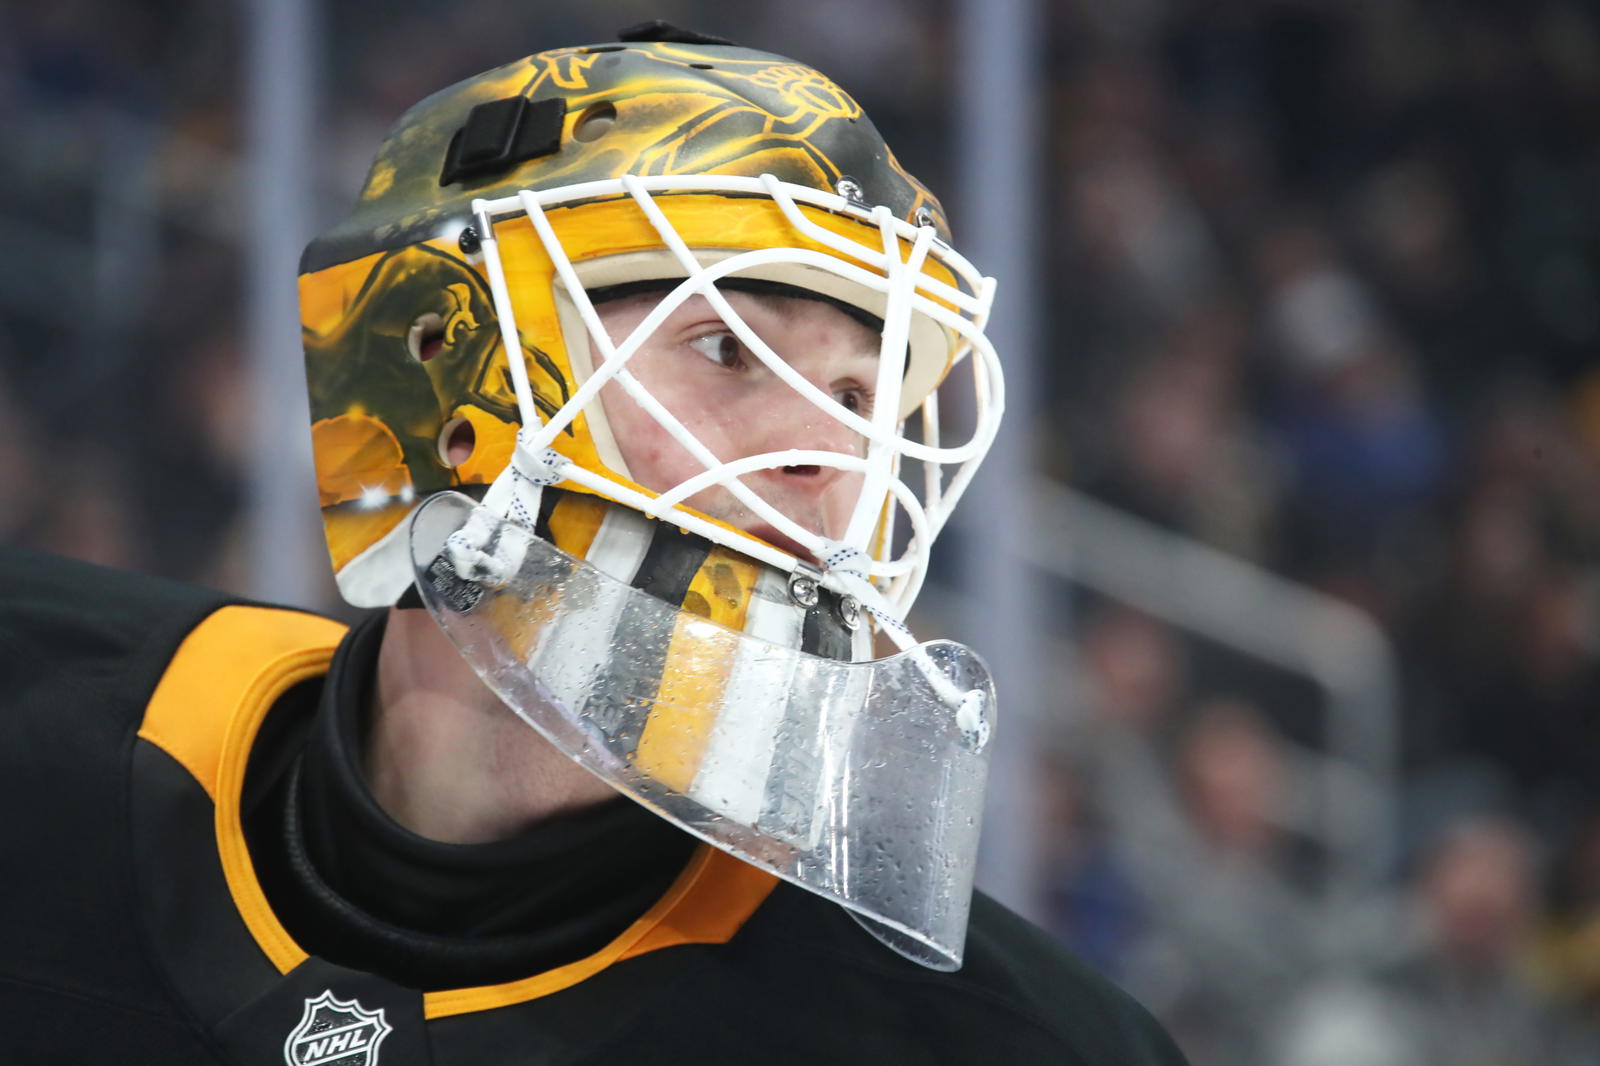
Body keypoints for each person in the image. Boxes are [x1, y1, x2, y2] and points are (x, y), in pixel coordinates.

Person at [0, 23, 1188, 1064]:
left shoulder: (1016, 1044)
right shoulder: (39, 722)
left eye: (861, 399)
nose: (826, 457)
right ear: (434, 354)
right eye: (726, 348)